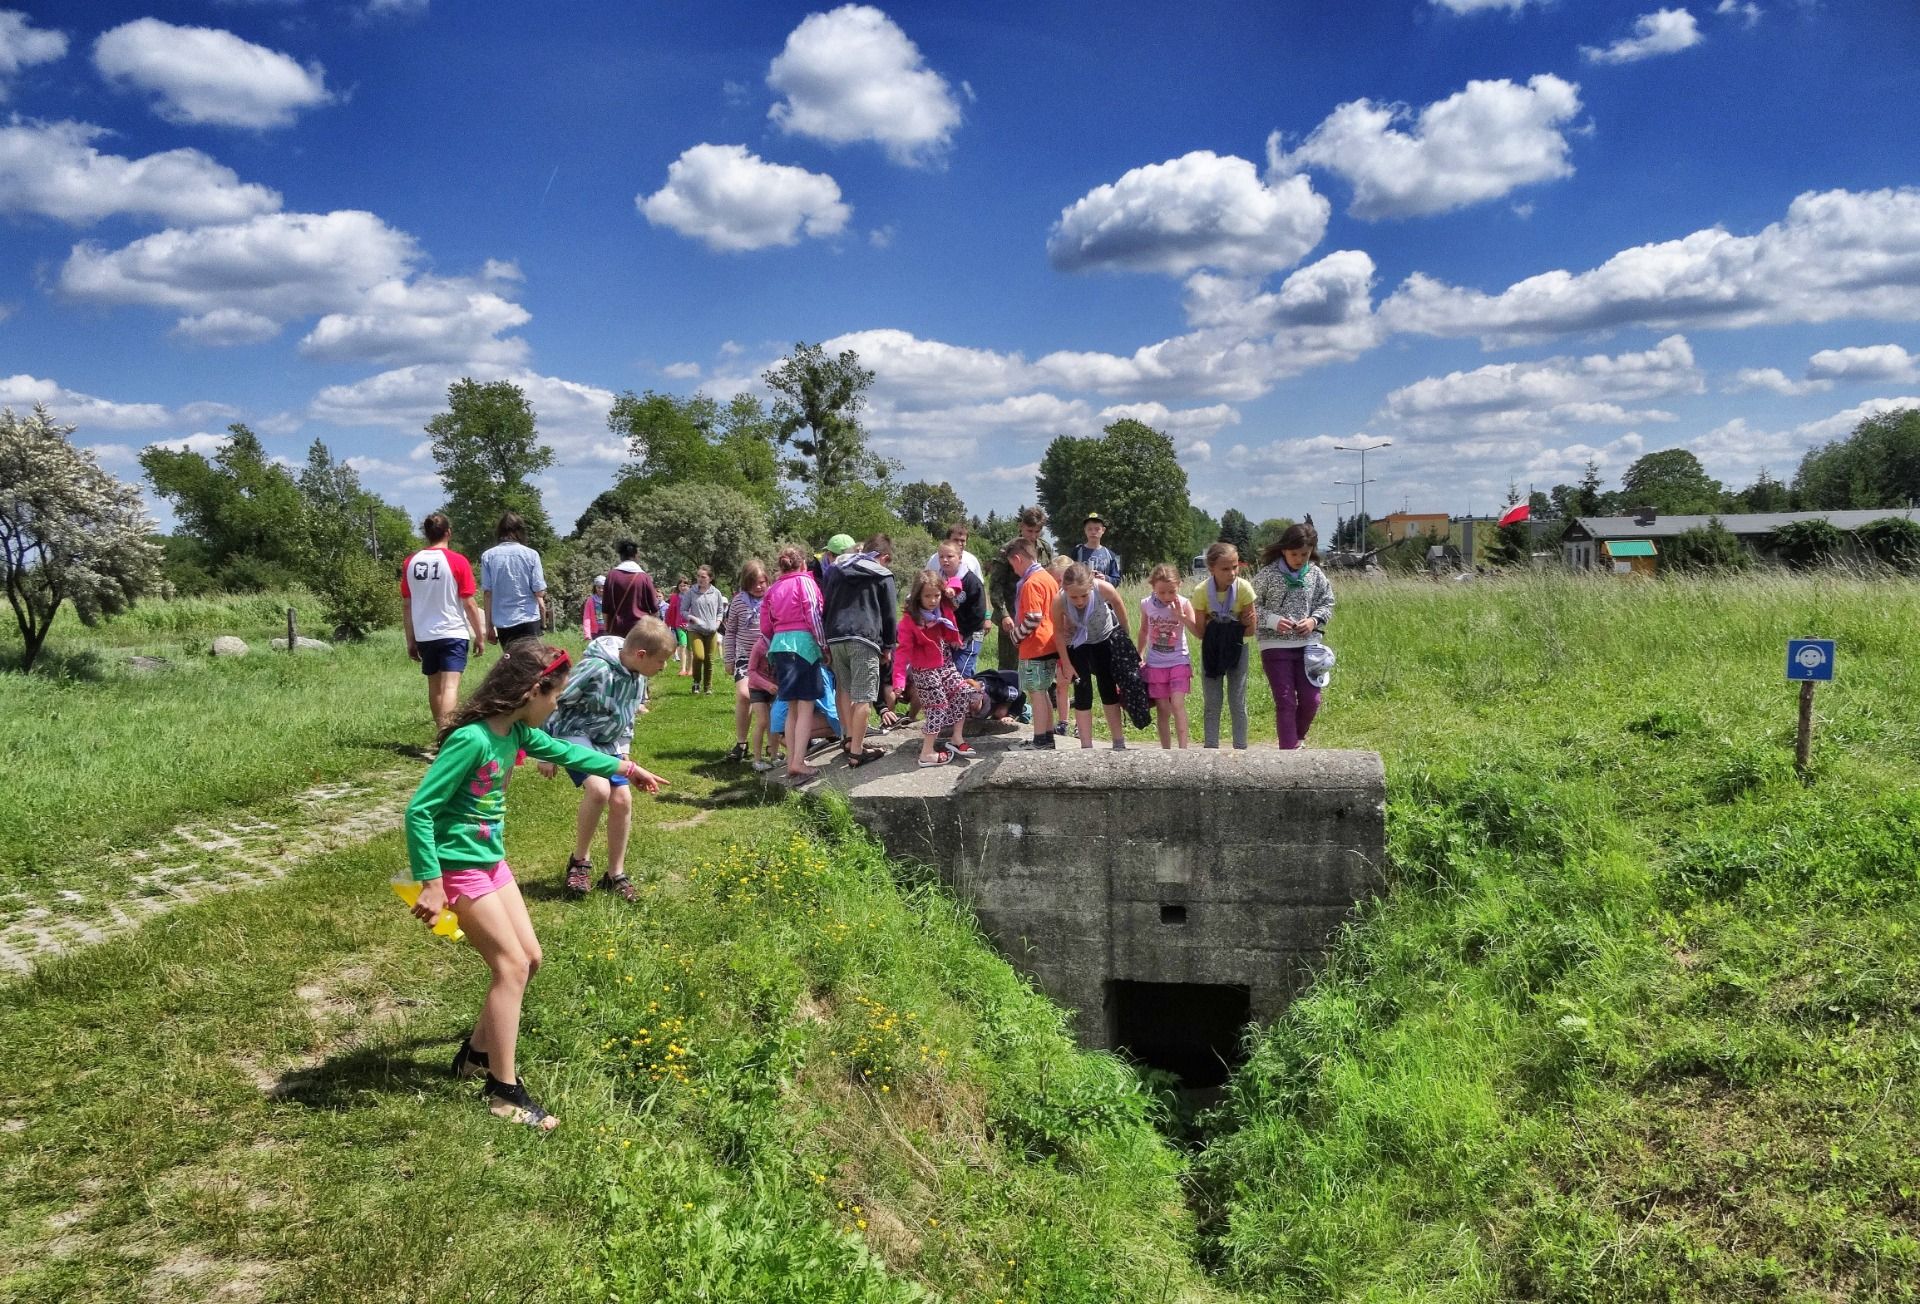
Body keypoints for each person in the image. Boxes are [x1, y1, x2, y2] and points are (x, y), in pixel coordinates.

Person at [403, 642, 660, 1131]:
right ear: (530, 691)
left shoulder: (516, 732)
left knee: (530, 959)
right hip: (458, 868)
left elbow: (565, 750)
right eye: (555, 696)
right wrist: (431, 884)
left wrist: (626, 768)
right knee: (512, 966)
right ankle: (503, 1092)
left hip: (491, 862)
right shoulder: (473, 740)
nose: (558, 705)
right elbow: (419, 810)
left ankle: (476, 1055)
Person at [537, 617, 674, 900]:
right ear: (641, 655)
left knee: (623, 799)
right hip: (573, 733)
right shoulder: (595, 668)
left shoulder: (638, 678)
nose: (664, 667)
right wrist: (546, 750)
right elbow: (555, 701)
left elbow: (627, 720)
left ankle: (615, 874)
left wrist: (623, 753)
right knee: (598, 790)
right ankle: (579, 862)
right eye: (661, 661)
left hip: (607, 742)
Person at [400, 512, 487, 734]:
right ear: (448, 532)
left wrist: (410, 639)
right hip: (452, 631)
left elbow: (407, 604)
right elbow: (468, 603)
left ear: (426, 534)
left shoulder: (411, 562)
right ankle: (448, 737)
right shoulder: (458, 561)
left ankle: (441, 733)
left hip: (425, 634)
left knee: (435, 687)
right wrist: (479, 634)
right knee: (450, 686)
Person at [1251, 523, 1336, 750]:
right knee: (1286, 701)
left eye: (1305, 554)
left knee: (1312, 700)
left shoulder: (1316, 574)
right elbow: (1249, 607)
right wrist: (1273, 620)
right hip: (1274, 646)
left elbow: (1327, 602)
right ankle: (1288, 752)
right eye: (1294, 554)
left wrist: (1313, 621)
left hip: (1309, 648)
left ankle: (1298, 738)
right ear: (1283, 550)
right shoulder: (1267, 575)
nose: (1299, 559)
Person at [823, 533, 898, 768]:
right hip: (864, 638)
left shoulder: (838, 569)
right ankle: (857, 752)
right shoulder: (882, 575)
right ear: (884, 557)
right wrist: (888, 646)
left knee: (844, 689)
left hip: (836, 636)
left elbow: (827, 602)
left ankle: (847, 738)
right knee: (864, 695)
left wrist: (826, 639)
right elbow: (889, 615)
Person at [762, 545, 828, 779]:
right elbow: (812, 613)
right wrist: (822, 644)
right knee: (806, 706)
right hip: (804, 648)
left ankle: (792, 759)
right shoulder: (805, 581)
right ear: (802, 564)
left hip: (779, 646)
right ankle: (798, 762)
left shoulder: (773, 588)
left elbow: (765, 624)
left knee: (792, 708)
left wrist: (774, 643)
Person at [895, 569, 972, 767]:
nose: (932, 600)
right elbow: (902, 652)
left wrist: (950, 590)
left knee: (963, 691)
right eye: (927, 596)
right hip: (924, 670)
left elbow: (956, 581)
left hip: (944, 662)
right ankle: (926, 753)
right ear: (917, 596)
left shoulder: (942, 609)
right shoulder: (909, 621)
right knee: (937, 706)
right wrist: (899, 680)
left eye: (936, 595)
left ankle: (956, 737)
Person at [1053, 561, 1131, 750]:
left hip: (1103, 639)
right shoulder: (1059, 600)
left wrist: (1125, 642)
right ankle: (1086, 746)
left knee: (1108, 689)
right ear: (1065, 589)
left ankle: (1118, 742)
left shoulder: (1103, 588)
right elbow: (1057, 633)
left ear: (1091, 586)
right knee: (1083, 692)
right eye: (1074, 597)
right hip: (1077, 643)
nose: (1079, 601)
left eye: (1083, 596)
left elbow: (1119, 607)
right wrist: (1066, 663)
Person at [1193, 542, 1257, 750]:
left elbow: (1250, 631)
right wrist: (1237, 623)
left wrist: (1232, 625)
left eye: (1235, 567)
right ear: (1211, 568)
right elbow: (1201, 632)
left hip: (1237, 650)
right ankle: (1211, 749)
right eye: (1225, 568)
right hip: (1212, 651)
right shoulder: (1201, 591)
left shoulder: (1244, 588)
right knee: (1212, 703)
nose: (1232, 573)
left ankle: (1241, 748)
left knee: (1237, 702)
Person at [1003, 536, 1064, 749]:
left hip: (1035, 646)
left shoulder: (1030, 583)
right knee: (1044, 691)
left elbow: (1033, 617)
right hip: (1050, 644)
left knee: (1036, 693)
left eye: (1012, 564)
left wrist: (1015, 636)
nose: (1014, 570)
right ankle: (1047, 737)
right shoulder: (1048, 578)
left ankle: (1039, 740)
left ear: (1018, 558)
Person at [988, 506, 1053, 672]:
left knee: (1039, 666)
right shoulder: (1008, 550)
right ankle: (1009, 697)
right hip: (1011, 615)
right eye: (1029, 530)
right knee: (1009, 667)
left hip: (1038, 617)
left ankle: (1039, 697)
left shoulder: (1045, 549)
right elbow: (995, 585)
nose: (1033, 536)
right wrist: (1003, 615)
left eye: (1037, 531)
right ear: (1021, 526)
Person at [1137, 563, 1195, 750]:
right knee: (1163, 709)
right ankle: (1166, 751)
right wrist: (1140, 653)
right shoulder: (1146, 604)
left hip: (1179, 660)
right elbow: (1144, 629)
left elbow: (1195, 629)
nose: (1167, 597)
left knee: (1177, 703)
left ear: (1180, 585)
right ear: (1153, 587)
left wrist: (1181, 615)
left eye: (1171, 592)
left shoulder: (1184, 603)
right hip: (1156, 663)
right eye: (1162, 592)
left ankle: (1183, 749)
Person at [723, 559, 770, 763]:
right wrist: (729, 658)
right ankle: (741, 742)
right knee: (744, 694)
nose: (759, 587)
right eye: (755, 583)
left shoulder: (772, 598)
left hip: (768, 657)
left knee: (769, 698)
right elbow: (730, 631)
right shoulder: (738, 602)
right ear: (746, 583)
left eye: (762, 582)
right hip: (744, 656)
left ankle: (772, 742)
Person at [480, 512, 548, 647]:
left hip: (503, 622)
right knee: (532, 664)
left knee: (512, 664)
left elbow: (488, 594)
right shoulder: (531, 554)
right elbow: (539, 592)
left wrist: (489, 627)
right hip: (528, 619)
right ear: (520, 531)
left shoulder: (488, 556)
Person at [937, 539, 987, 678]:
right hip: (948, 636)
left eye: (950, 556)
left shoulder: (971, 581)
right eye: (941, 556)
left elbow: (978, 612)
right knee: (946, 673)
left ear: (959, 558)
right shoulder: (938, 580)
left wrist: (962, 633)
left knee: (961, 672)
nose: (945, 560)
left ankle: (979, 698)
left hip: (970, 635)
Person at [681, 565, 726, 695]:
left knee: (709, 659)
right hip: (695, 630)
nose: (700, 579)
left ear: (710, 578)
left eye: (703, 577)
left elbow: (720, 611)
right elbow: (683, 610)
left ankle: (707, 687)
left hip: (712, 630)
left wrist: (717, 623)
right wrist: (690, 617)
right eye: (698, 576)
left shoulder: (716, 593)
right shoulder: (691, 592)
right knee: (699, 656)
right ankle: (696, 682)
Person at [603, 540, 660, 639]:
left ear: (620, 556)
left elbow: (605, 608)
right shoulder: (644, 577)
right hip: (640, 629)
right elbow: (654, 608)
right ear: (636, 555)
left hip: (617, 629)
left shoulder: (612, 575)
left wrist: (607, 629)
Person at [924, 521, 985, 585]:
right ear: (948, 540)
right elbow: (925, 582)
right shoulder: (934, 560)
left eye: (962, 541)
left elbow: (979, 586)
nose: (959, 543)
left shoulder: (972, 561)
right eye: (955, 540)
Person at [1072, 512, 1123, 586]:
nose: (1093, 532)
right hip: (1082, 595)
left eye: (1097, 529)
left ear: (1103, 530)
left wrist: (1105, 578)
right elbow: (1069, 576)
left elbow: (1117, 580)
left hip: (1103, 595)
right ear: (1085, 530)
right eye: (1089, 529)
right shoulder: (1077, 552)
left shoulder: (1110, 555)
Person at [664, 577, 691, 676]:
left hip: (691, 625)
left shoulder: (693, 597)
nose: (683, 587)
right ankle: (683, 669)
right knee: (683, 645)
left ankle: (690, 668)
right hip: (679, 624)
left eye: (685, 585)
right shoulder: (675, 597)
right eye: (680, 585)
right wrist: (667, 624)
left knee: (690, 648)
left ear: (689, 586)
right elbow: (670, 611)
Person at [580, 575, 606, 642]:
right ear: (595, 587)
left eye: (603, 587)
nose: (601, 589)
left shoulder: (610, 599)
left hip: (607, 631)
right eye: (598, 587)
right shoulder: (590, 600)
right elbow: (586, 618)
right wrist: (587, 635)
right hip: (595, 633)